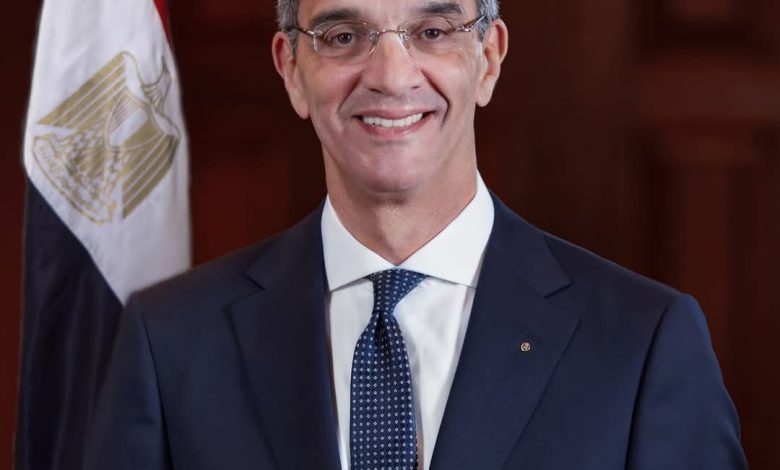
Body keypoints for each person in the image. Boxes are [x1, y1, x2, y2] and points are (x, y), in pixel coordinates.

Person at [84, 0, 748, 469]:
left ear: (488, 58)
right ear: (291, 69)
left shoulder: (642, 343)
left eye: (432, 31)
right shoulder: (171, 342)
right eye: (344, 36)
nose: (391, 76)